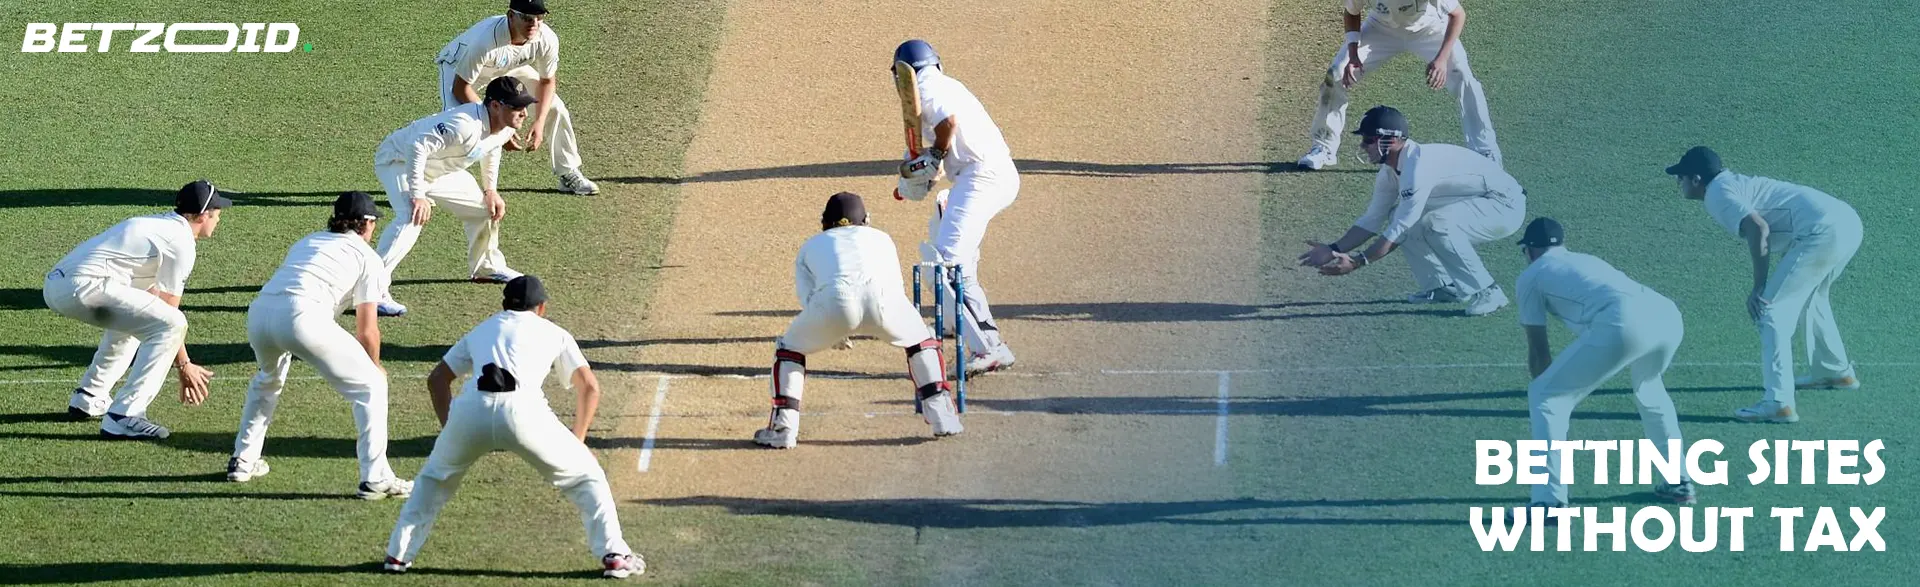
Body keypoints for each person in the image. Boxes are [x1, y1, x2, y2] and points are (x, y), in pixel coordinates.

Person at [382, 275, 642, 579]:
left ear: (504, 303)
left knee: (432, 480)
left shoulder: (482, 329)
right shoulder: (554, 332)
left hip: (470, 412)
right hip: (525, 413)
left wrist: (450, 429)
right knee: (587, 477)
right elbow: (590, 387)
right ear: (541, 307)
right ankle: (614, 555)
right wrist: (579, 441)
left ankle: (397, 557)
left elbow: (437, 380)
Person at [227, 191, 412, 500]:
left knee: (267, 381)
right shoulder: (368, 257)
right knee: (372, 387)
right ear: (366, 224)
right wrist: (375, 366)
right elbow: (367, 329)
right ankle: (376, 478)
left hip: (260, 314)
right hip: (302, 317)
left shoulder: (309, 240)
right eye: (373, 223)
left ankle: (243, 460)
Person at [1667, 146, 1864, 423]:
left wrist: (1759, 286)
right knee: (1810, 298)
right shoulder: (1732, 184)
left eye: (1681, 178)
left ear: (1696, 179)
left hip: (1822, 231)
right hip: (1846, 222)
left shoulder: (1717, 194)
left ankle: (1778, 403)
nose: (1679, 183)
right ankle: (1833, 370)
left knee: (1769, 311)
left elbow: (1758, 227)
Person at [757, 192, 965, 448]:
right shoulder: (882, 238)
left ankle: (783, 428)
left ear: (825, 222)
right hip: (885, 301)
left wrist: (835, 331)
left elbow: (809, 298)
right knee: (922, 342)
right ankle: (943, 417)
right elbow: (895, 287)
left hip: (834, 303)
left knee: (789, 350)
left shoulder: (811, 245)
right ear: (866, 220)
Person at [1513, 217, 1693, 512]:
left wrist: (1553, 397)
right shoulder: (1583, 260)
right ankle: (1677, 481)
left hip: (1623, 321)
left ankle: (1548, 502)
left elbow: (1539, 351)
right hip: (1665, 314)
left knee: (1545, 397)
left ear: (1529, 251)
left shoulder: (1531, 276)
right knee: (1650, 391)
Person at [1297, 105, 1524, 316]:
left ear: (1391, 139)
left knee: (1436, 224)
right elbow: (1372, 220)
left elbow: (1399, 230)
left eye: (1368, 140)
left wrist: (1358, 261)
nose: (1362, 146)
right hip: (1474, 198)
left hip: (1504, 205)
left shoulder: (1418, 168)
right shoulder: (1389, 173)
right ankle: (1442, 286)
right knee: (1400, 215)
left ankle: (1488, 291)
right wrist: (1332, 248)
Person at [44, 180, 227, 440]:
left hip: (56, 286)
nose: (219, 219)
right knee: (171, 323)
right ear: (201, 216)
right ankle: (125, 415)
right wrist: (184, 365)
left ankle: (90, 396)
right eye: (217, 213)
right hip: (84, 287)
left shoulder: (158, 226)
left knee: (140, 317)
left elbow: (152, 301)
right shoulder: (181, 242)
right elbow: (170, 312)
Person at [891, 39, 1018, 375]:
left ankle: (989, 346)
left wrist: (934, 156)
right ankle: (953, 320)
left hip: (983, 178)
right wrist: (927, 172)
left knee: (945, 265)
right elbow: (950, 145)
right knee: (945, 234)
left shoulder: (928, 88)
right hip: (984, 176)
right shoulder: (946, 84)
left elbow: (948, 123)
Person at [374, 76, 539, 315]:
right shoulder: (464, 124)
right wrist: (418, 194)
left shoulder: (503, 126)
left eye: (524, 106)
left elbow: (491, 150)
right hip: (398, 161)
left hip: (439, 170)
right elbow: (417, 146)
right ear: (495, 106)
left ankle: (485, 266)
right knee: (412, 215)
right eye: (516, 106)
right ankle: (372, 289)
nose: (523, 113)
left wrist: (490, 190)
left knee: (485, 208)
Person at [1296, 0, 1500, 170]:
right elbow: (1351, 13)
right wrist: (1353, 55)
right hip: (1380, 30)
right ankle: (1323, 148)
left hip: (1429, 29)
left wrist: (1442, 59)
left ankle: (1485, 151)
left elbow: (1457, 15)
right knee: (1336, 75)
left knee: (1464, 76)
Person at [435, 0, 600, 195]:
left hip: (510, 67)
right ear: (511, 16)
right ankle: (431, 182)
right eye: (527, 18)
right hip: (460, 71)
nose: (534, 24)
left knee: (555, 108)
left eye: (539, 18)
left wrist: (539, 121)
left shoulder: (546, 38)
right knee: (459, 126)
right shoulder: (485, 41)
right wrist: (498, 122)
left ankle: (568, 171)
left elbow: (547, 82)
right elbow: (461, 88)